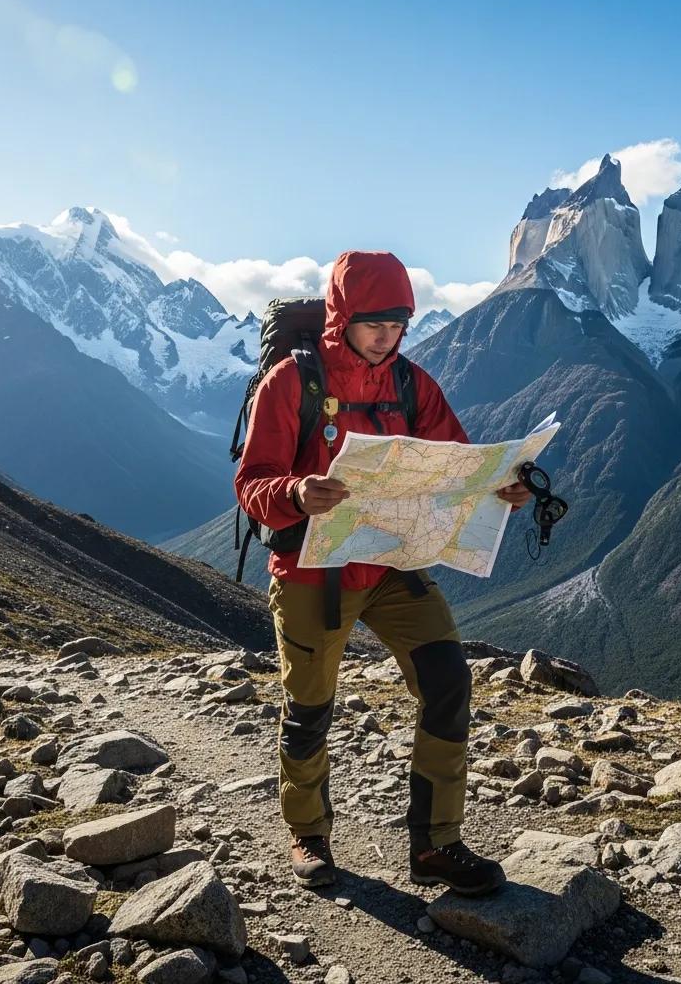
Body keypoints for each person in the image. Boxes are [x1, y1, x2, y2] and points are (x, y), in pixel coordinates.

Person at [235, 250, 531, 895]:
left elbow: (458, 465)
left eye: (398, 324)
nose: (387, 337)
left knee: (449, 683)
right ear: (343, 318)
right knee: (309, 709)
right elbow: (250, 482)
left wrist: (500, 489)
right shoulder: (291, 382)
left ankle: (435, 845)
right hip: (314, 571)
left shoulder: (412, 384)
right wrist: (295, 493)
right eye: (374, 324)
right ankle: (308, 835)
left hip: (394, 564)